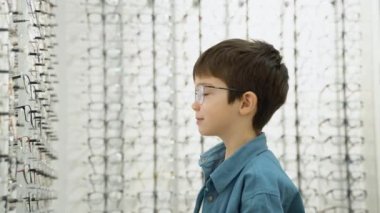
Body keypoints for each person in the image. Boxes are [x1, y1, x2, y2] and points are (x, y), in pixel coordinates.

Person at [191, 39, 305, 212]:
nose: (195, 104)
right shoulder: (221, 165)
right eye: (196, 93)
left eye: (205, 93)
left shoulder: (259, 182)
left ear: (245, 103)